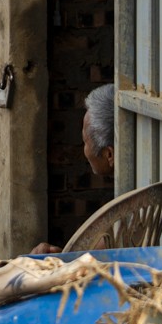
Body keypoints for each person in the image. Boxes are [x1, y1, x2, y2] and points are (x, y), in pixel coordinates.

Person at [33, 84, 117, 254]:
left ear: (109, 154)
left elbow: (96, 258)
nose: (83, 150)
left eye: (85, 142)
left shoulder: (131, 209)